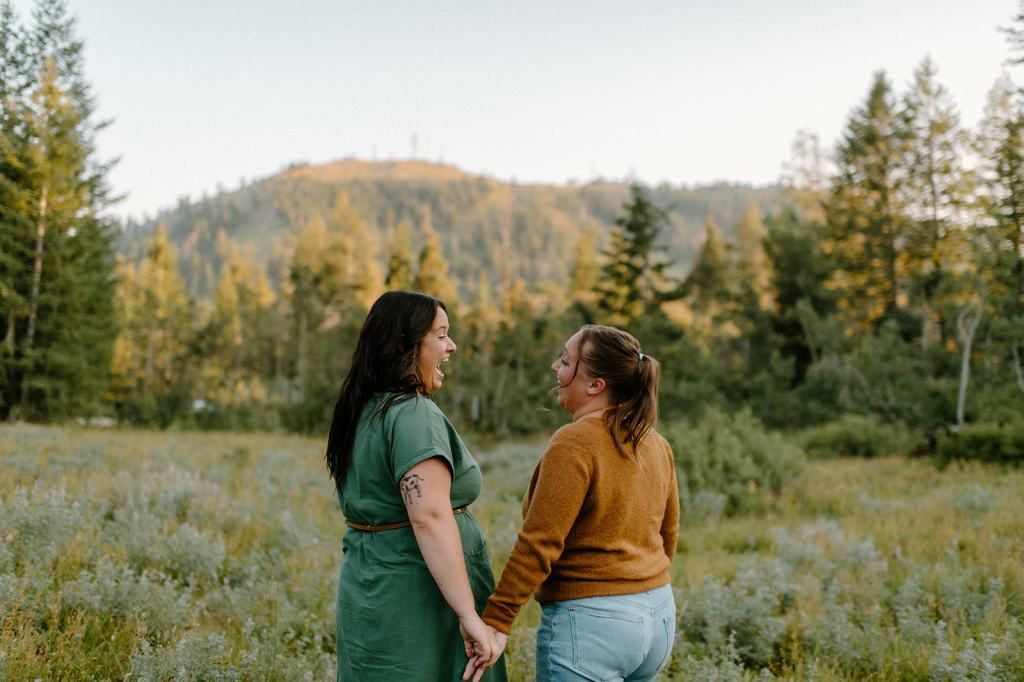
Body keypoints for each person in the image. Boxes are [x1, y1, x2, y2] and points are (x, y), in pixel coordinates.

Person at [477, 324, 679, 682]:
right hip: (658, 615)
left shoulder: (574, 443)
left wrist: (497, 619)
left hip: (593, 624)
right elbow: (668, 531)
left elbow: (540, 542)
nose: (556, 367)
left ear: (595, 385)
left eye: (566, 361)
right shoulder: (655, 442)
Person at [326, 291, 507, 682]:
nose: (451, 345)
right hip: (419, 596)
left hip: (370, 583)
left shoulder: (363, 408)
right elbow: (429, 517)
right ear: (405, 346)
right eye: (441, 335)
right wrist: (468, 615)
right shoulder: (411, 413)